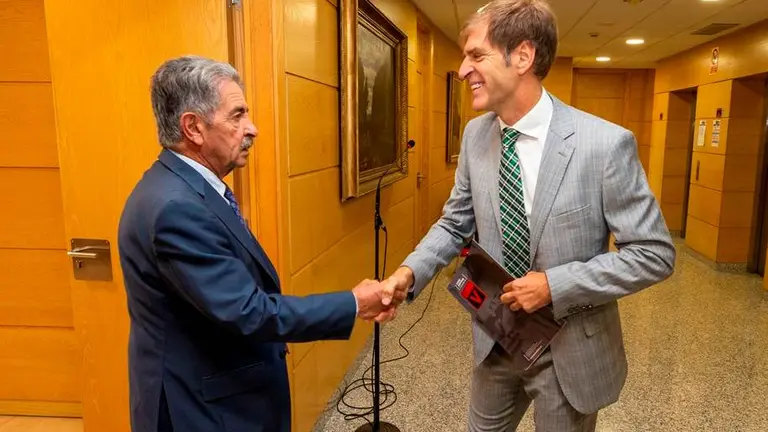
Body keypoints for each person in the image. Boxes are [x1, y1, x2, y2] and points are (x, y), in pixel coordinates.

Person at [378, 0, 676, 430]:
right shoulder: (476, 135)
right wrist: (408, 273)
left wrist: (555, 285)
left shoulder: (604, 145)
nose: (462, 70)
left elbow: (654, 254)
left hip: (568, 349)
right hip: (497, 337)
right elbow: (454, 221)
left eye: (476, 55)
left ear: (522, 56)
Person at [117, 56, 400, 432]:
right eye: (237, 116)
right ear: (193, 127)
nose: (253, 128)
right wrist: (352, 303)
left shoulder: (181, 187)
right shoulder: (175, 208)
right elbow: (249, 313)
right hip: (202, 409)